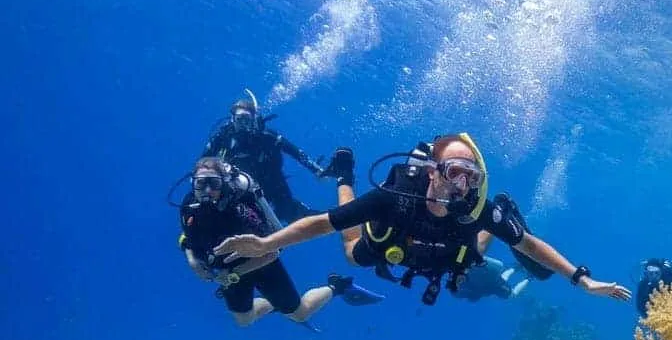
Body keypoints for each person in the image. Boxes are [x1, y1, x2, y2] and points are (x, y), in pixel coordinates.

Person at [213, 133, 632, 306]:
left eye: (471, 177)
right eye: (454, 173)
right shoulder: (394, 198)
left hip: (450, 257)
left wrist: (583, 279)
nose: (462, 185)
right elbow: (324, 222)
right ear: (434, 172)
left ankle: (502, 213)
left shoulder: (473, 207)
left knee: (483, 243)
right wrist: (268, 245)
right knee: (351, 253)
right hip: (391, 243)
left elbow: (528, 245)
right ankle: (344, 176)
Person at [179, 157, 383, 327]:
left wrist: (234, 274)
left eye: (213, 183)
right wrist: (192, 260)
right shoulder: (189, 206)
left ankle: (337, 286)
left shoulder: (241, 212)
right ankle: (274, 304)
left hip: (262, 265)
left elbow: (272, 252)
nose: (206, 190)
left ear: (223, 183)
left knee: (299, 313)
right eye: (200, 183)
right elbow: (188, 236)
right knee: (244, 320)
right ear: (193, 183)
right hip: (228, 272)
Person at [201, 89, 329, 223]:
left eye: (247, 120)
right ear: (232, 120)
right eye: (240, 120)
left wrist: (316, 170)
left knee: (288, 212)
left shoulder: (267, 137)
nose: (244, 124)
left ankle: (336, 218)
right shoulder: (223, 138)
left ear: (254, 120)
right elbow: (203, 163)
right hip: (238, 188)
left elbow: (295, 152)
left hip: (271, 183)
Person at [453, 256, 531, 302]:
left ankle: (528, 277)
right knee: (500, 275)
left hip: (488, 281)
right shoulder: (458, 263)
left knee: (511, 294)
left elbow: (471, 297)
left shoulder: (456, 268)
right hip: (488, 276)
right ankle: (517, 268)